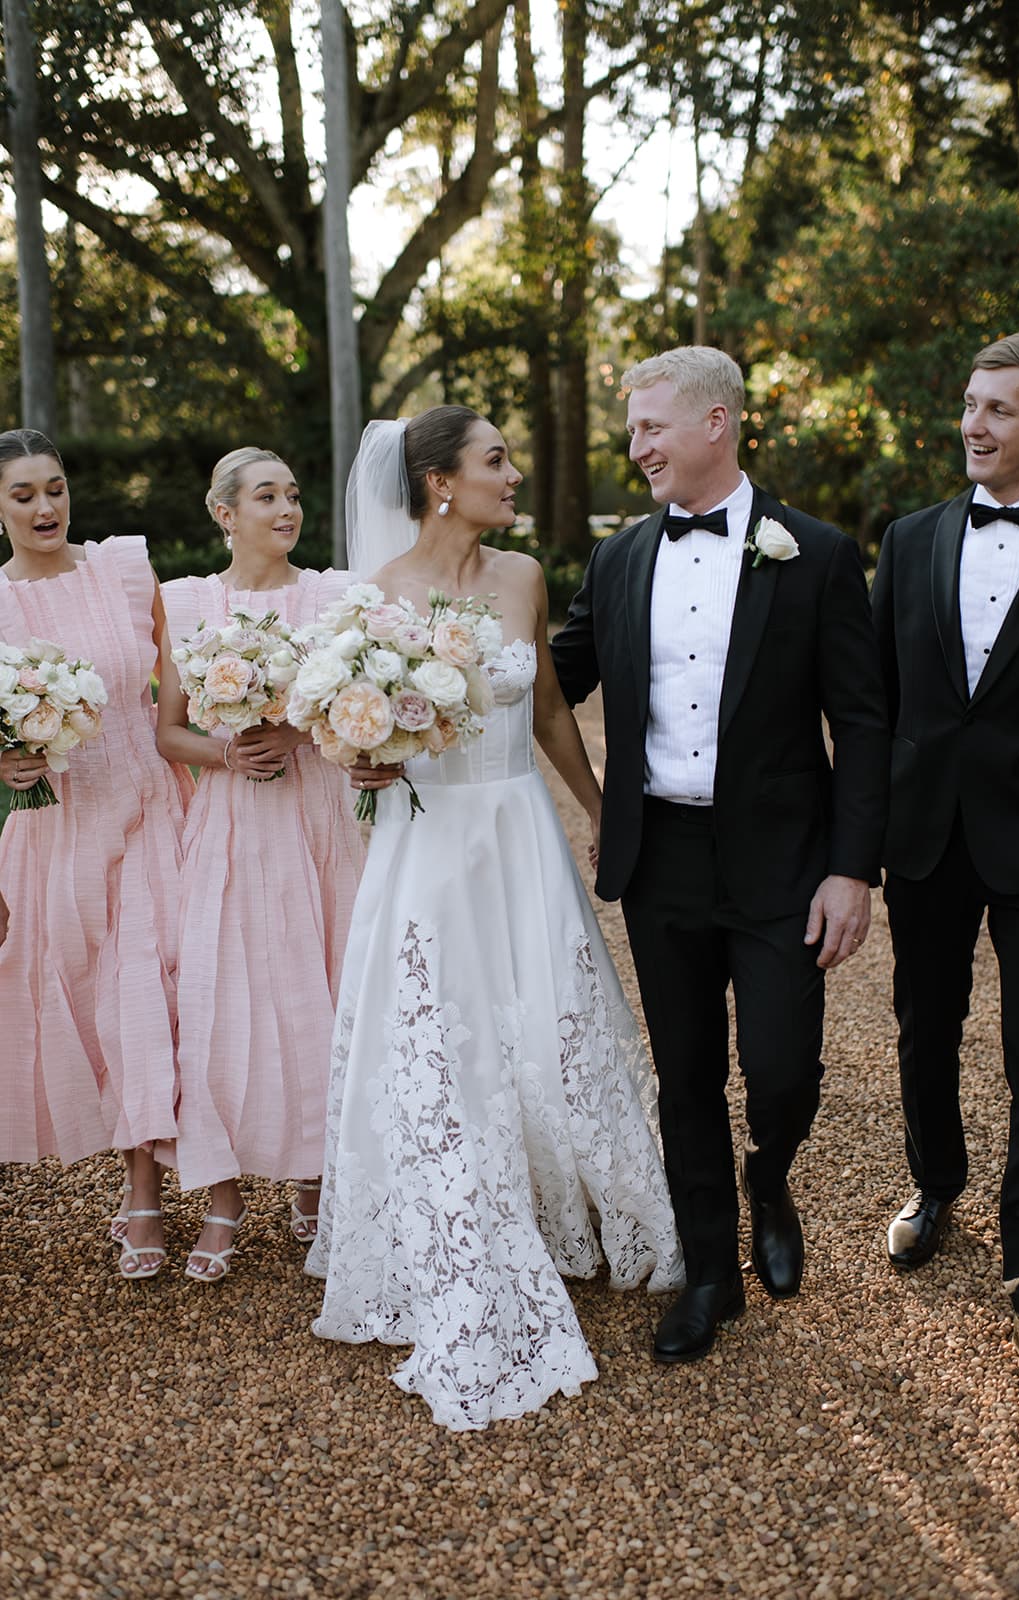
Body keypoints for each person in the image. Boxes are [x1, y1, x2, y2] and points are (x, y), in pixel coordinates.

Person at [306, 406, 682, 1431]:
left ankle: (575, 1209)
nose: (513, 475)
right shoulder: (375, 598)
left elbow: (551, 705)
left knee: (550, 1013)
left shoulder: (520, 578)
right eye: (496, 461)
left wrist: (600, 809)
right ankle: (464, 1223)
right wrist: (363, 756)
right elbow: (344, 731)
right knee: (444, 1032)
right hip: (430, 844)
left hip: (519, 830)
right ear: (439, 482)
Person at [551, 346, 889, 1364]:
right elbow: (545, 677)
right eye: (632, 429)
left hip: (786, 859)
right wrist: (417, 679)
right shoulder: (615, 560)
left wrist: (852, 867)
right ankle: (709, 1274)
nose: (635, 445)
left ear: (716, 424)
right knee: (686, 1074)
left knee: (782, 1068)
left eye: (652, 426)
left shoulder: (817, 554)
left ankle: (770, 1173)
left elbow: (864, 724)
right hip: (664, 857)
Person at [872, 331, 1019, 1413]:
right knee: (923, 1021)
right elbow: (882, 703)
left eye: (1000, 409)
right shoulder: (908, 539)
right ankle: (936, 1182)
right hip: (932, 835)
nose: (974, 425)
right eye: (970, 404)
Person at [154, 447, 364, 1281]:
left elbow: (356, 714)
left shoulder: (333, 596)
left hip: (317, 820)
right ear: (224, 513)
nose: (286, 509)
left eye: (293, 494)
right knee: (223, 1002)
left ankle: (316, 1183)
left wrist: (301, 732)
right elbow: (166, 731)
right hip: (234, 820)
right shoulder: (188, 602)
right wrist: (225, 751)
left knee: (324, 987)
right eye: (266, 496)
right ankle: (222, 1197)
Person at [0, 428, 193, 1279]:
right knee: (89, 1003)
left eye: (55, 488)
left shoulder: (122, 569)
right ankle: (138, 1170)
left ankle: (146, 1188)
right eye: (23, 494)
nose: (46, 507)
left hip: (152, 803)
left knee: (146, 991)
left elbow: (174, 693)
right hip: (56, 827)